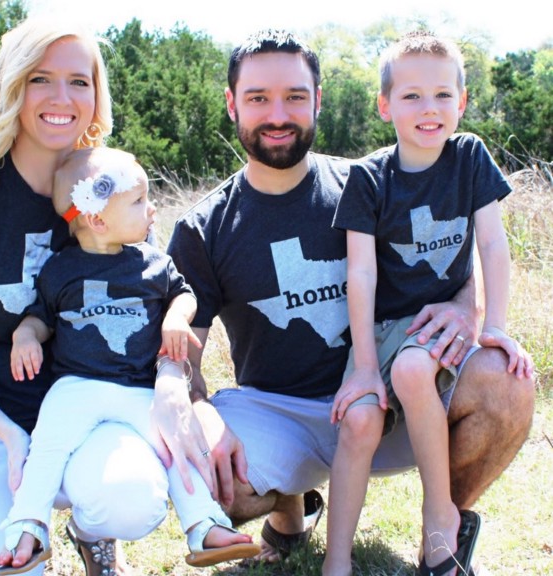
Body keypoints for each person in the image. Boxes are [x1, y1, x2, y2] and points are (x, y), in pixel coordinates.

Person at [166, 28, 535, 570]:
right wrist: (200, 410)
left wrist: (464, 305)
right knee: (201, 468)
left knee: (506, 385)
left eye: (295, 95)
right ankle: (290, 510)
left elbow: (446, 254)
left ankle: (445, 528)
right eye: (258, 98)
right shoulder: (205, 227)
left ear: (318, 99)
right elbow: (184, 358)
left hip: (390, 400)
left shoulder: (366, 183)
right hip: (282, 411)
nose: (278, 113)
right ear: (231, 104)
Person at [0, 16, 212, 576]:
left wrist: (173, 384)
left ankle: (91, 530)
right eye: (40, 78)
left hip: (102, 413)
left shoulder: (116, 187)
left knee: (129, 499)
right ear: (11, 87)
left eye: (80, 81)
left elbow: (158, 304)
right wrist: (9, 434)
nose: (62, 97)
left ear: (97, 95)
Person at [0, 146, 260, 574]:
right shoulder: (62, 269)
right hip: (76, 386)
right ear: (97, 219)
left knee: (175, 448)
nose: (151, 210)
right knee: (47, 447)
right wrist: (25, 335)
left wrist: (175, 317)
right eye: (138, 201)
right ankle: (28, 527)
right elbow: (41, 317)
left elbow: (185, 296)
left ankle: (204, 525)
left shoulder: (152, 264)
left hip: (139, 388)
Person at [324, 31, 533, 576]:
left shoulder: (468, 159)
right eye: (412, 95)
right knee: (360, 422)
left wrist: (499, 326)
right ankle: (336, 561)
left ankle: (439, 518)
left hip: (437, 330)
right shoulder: (369, 178)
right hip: (383, 328)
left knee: (417, 368)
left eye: (443, 95)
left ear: (462, 102)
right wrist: (365, 367)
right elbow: (361, 274)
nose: (429, 108)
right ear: (384, 105)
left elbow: (491, 243)